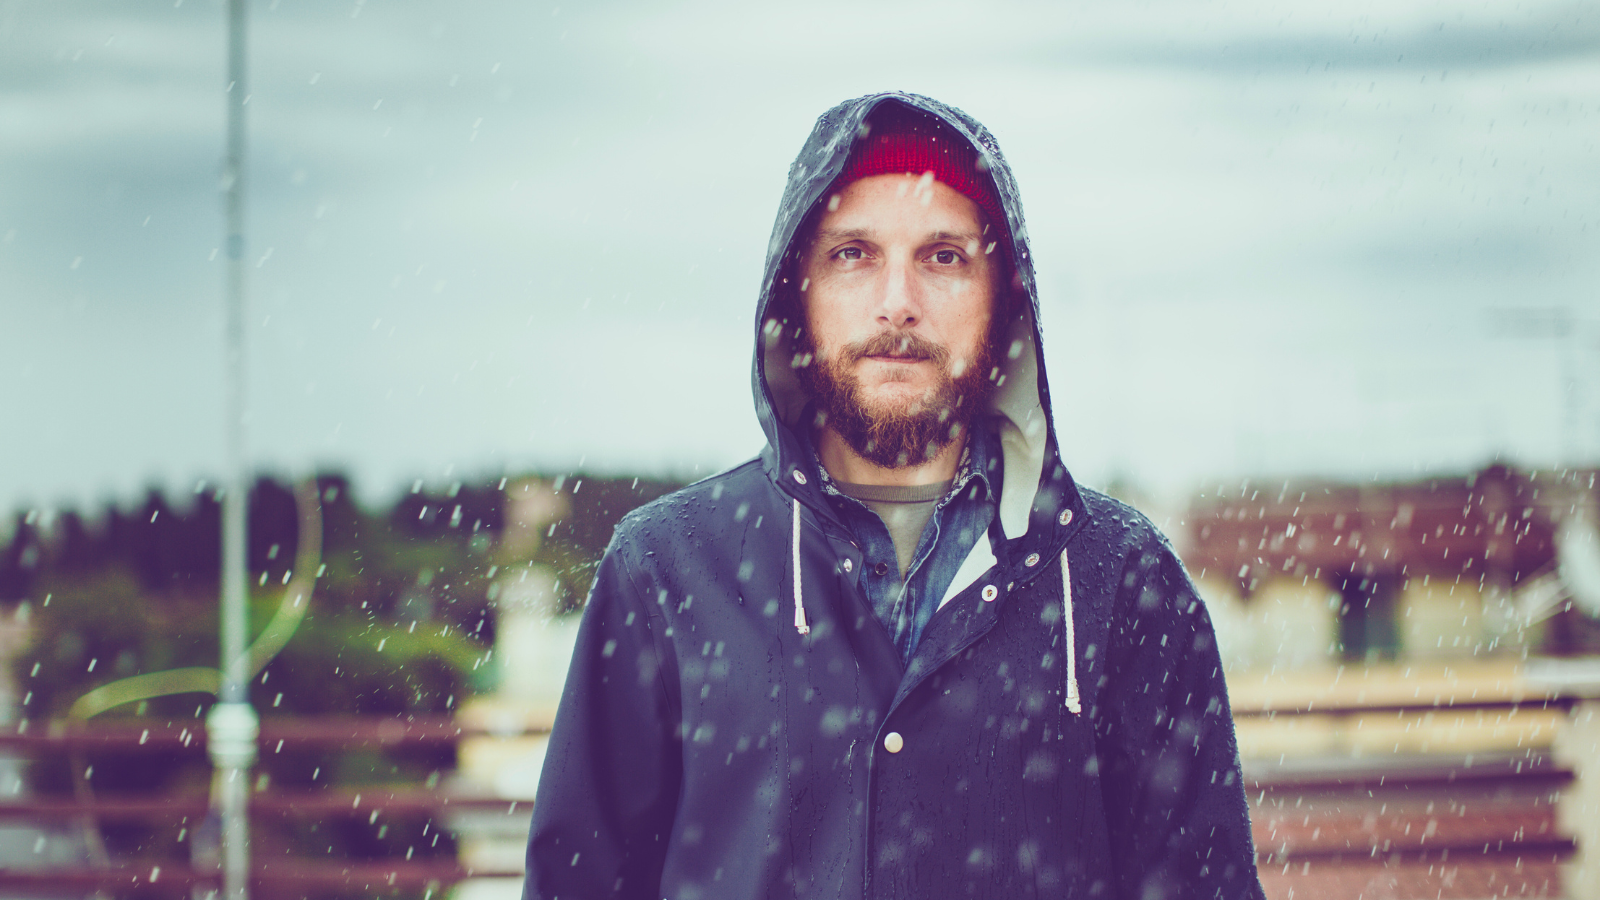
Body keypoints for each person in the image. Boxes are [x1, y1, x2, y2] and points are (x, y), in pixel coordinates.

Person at [523, 92, 1264, 900]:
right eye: (853, 254)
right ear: (795, 292)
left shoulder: (1122, 580)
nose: (897, 301)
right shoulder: (666, 569)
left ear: (1004, 297)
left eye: (943, 255)